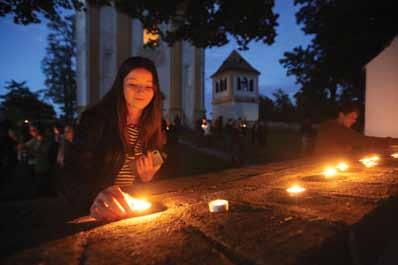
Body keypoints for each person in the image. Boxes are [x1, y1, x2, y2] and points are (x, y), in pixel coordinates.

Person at [59, 57, 165, 221]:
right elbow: (72, 174)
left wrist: (148, 177)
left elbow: (159, 156)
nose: (141, 91)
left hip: (131, 209)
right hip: (100, 211)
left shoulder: (155, 124)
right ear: (120, 85)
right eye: (132, 84)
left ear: (155, 90)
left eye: (148, 86)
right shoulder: (96, 120)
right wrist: (96, 196)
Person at [314, 102, 397, 156]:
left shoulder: (336, 127)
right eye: (351, 117)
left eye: (355, 119)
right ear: (341, 115)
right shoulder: (334, 128)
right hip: (325, 166)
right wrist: (391, 142)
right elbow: (362, 140)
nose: (354, 121)